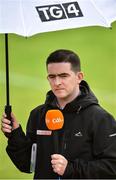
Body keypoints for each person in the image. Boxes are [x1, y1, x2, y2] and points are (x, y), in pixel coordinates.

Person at [1, 49, 116, 179]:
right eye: (52, 77)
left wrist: (71, 169)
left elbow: (112, 167)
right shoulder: (38, 114)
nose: (57, 83)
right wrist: (15, 135)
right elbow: (28, 165)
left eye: (63, 76)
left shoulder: (100, 118)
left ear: (79, 77)